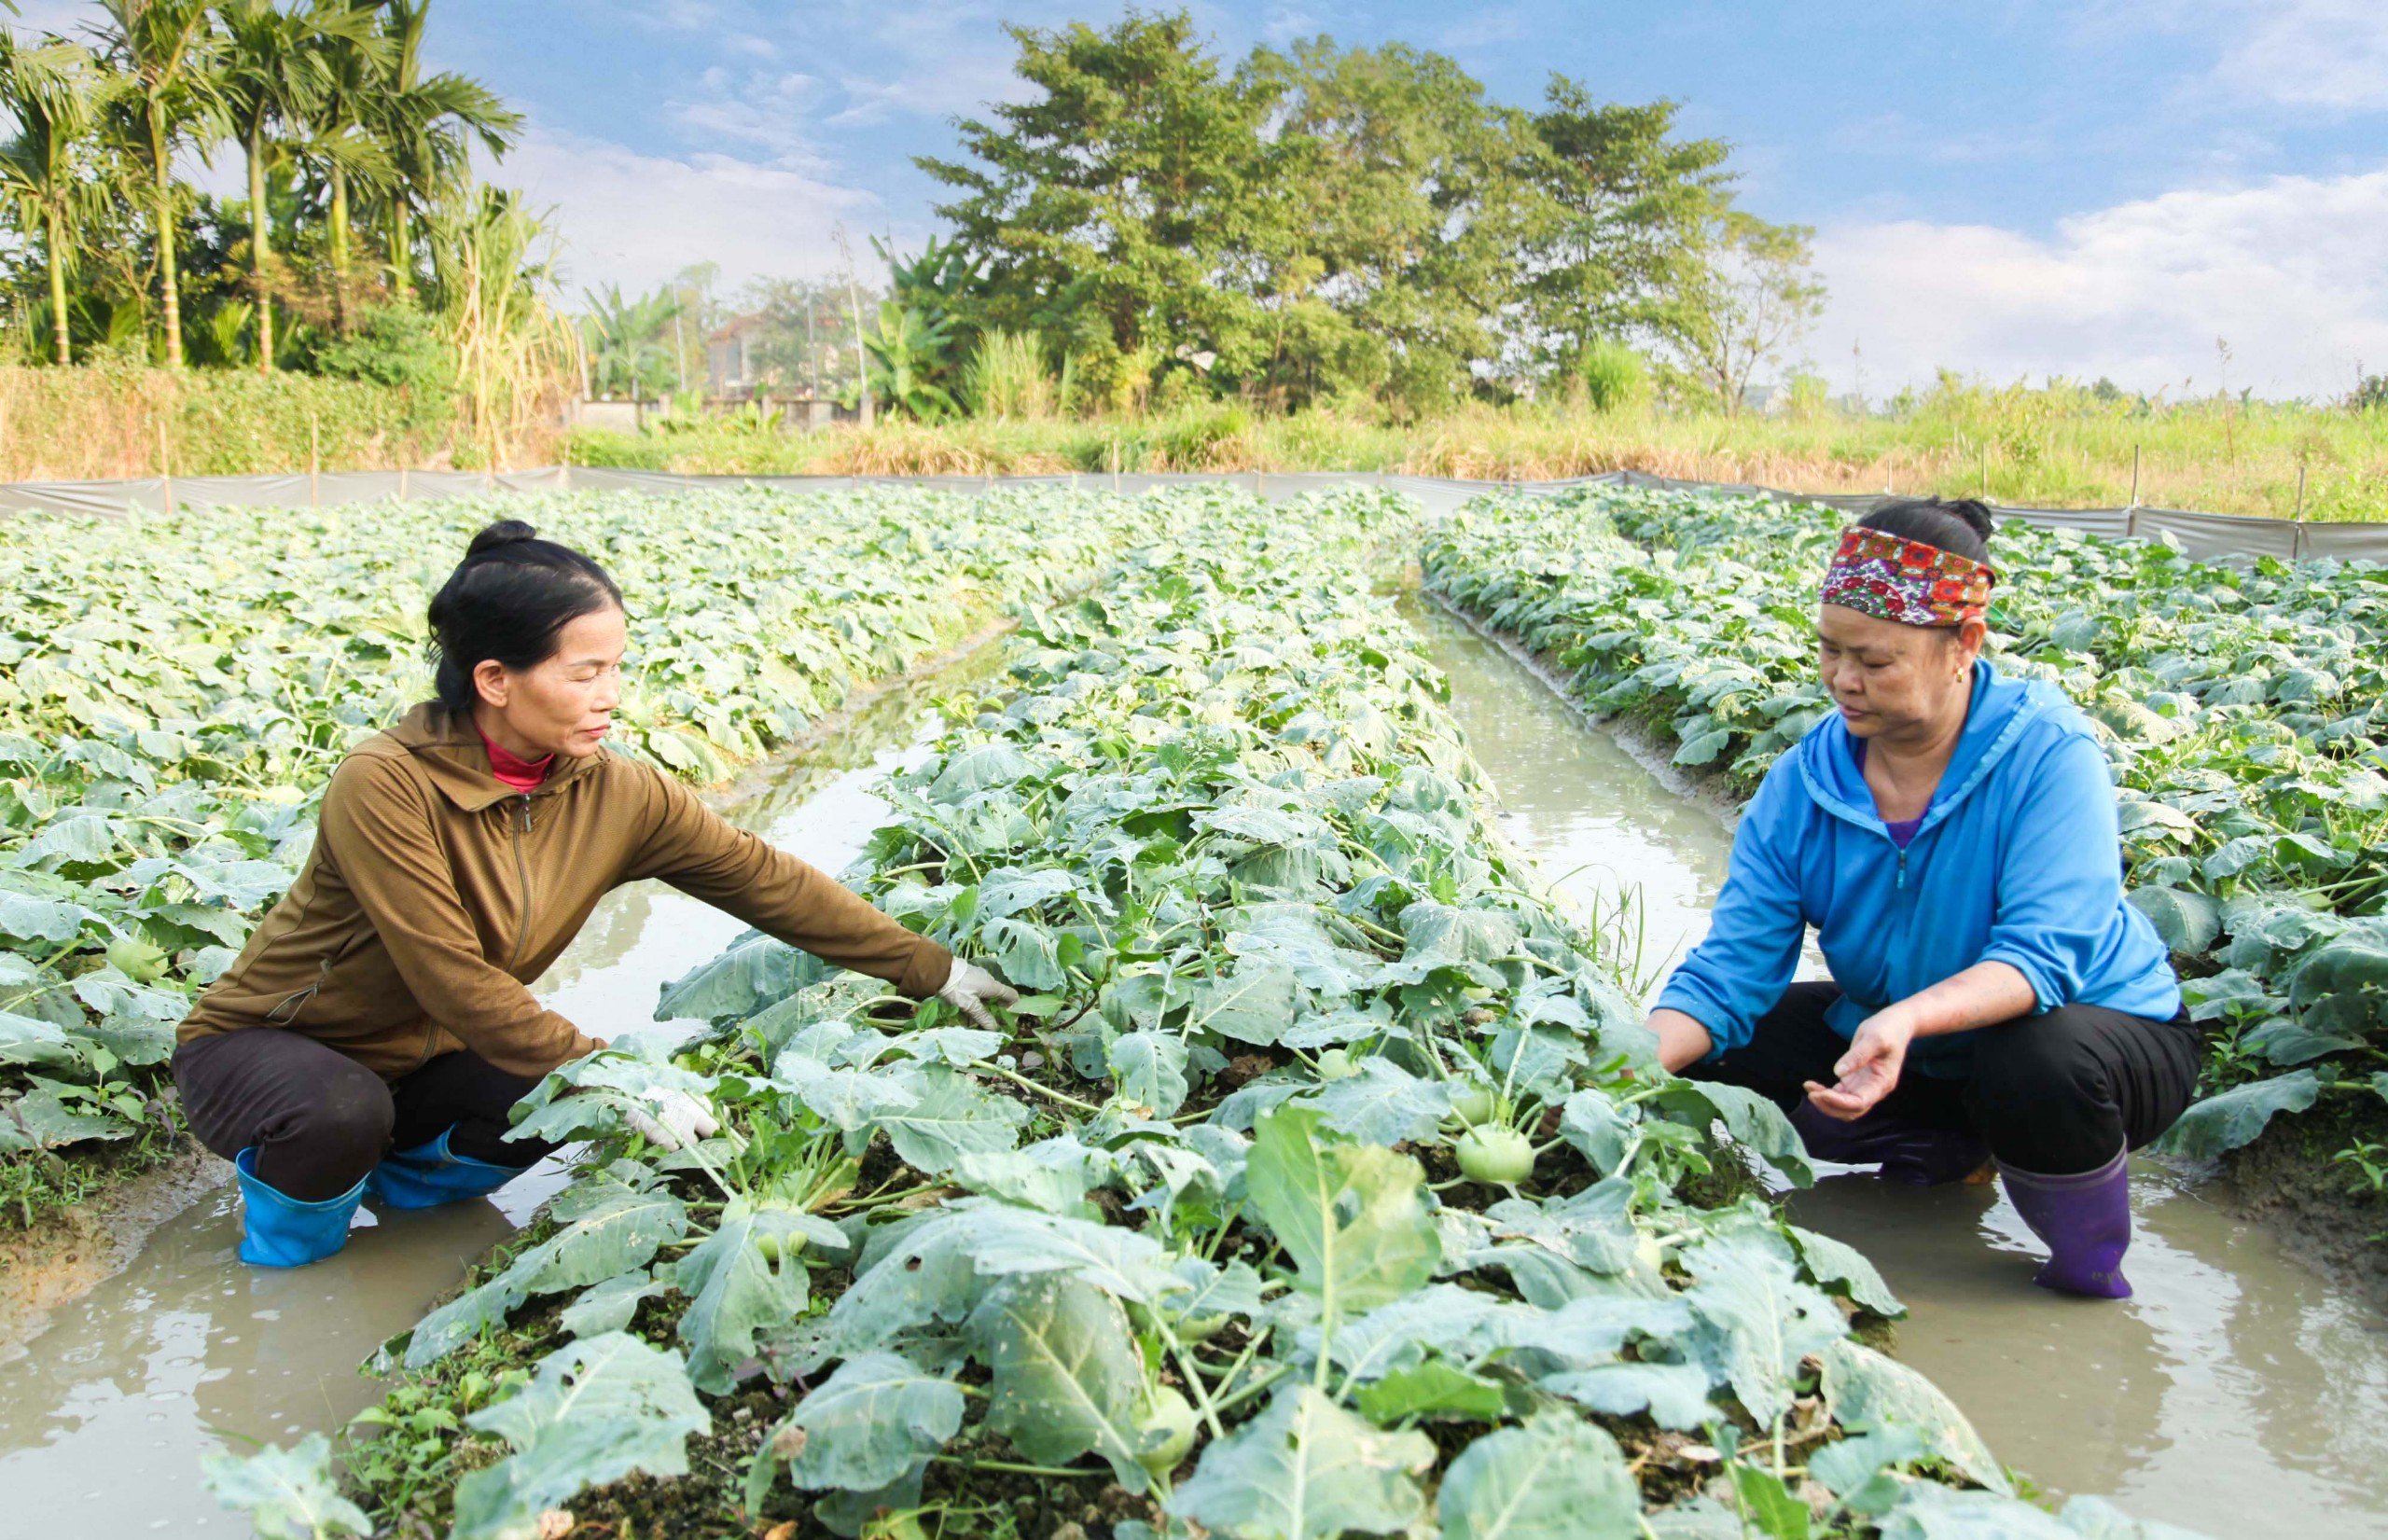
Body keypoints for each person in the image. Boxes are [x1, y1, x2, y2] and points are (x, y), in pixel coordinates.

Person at [173, 520, 1017, 1268]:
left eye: (616, 668)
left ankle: (399, 1193)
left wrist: (930, 968)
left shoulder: (615, 791)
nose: (610, 695)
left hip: (424, 1055)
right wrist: (607, 1069)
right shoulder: (385, 784)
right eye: (585, 674)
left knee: (534, 1100)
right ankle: (291, 1261)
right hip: (273, 1048)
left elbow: (763, 878)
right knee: (340, 1112)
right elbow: (449, 977)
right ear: (497, 679)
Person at [1645, 497, 2195, 1299]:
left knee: (2031, 1056)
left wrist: (1903, 1018)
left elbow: (2044, 956)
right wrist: (1621, 1065)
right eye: (1830, 651)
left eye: (1874, 660)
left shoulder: (2048, 753)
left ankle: (2086, 1273)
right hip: (1920, 1038)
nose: (1842, 679)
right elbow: (1732, 968)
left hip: (2096, 1038)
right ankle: (1942, 1153)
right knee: (1718, 1049)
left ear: (1962, 645)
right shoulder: (1804, 783)